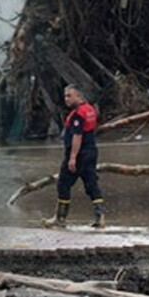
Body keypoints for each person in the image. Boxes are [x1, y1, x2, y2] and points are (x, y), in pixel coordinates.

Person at [45, 84, 104, 228]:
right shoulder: (90, 109)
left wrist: (72, 158)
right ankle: (100, 217)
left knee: (63, 184)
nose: (66, 99)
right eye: (65, 96)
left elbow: (77, 136)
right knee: (91, 184)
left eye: (69, 96)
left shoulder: (78, 114)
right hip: (91, 151)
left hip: (79, 154)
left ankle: (60, 218)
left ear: (79, 96)